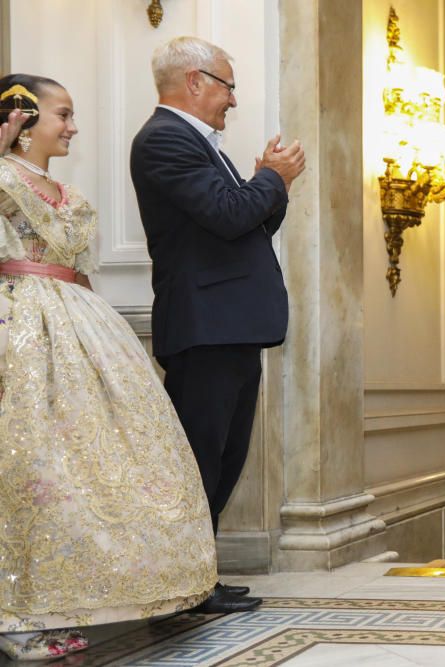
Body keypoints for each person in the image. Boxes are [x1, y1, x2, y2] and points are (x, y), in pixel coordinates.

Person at [0, 74, 216, 661]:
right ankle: (17, 613)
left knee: (87, 470)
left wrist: (108, 343)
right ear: (21, 116)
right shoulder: (1, 176)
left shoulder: (66, 191)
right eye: (62, 114)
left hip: (79, 322)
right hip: (17, 325)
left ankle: (62, 600)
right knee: (30, 467)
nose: (72, 127)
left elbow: (76, 267)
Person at [130, 37, 305, 613]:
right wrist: (271, 180)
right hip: (205, 327)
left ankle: (197, 578)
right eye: (227, 84)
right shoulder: (164, 140)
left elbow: (246, 226)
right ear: (195, 81)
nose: (233, 98)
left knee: (224, 456)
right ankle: (178, 587)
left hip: (230, 326)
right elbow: (230, 216)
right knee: (199, 459)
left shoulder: (200, 143)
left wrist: (267, 183)